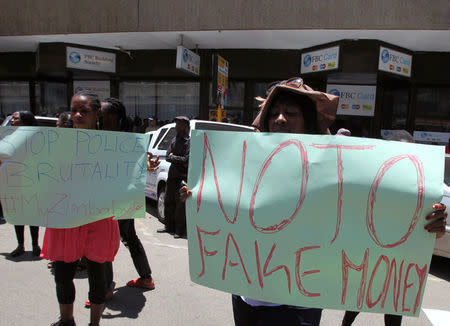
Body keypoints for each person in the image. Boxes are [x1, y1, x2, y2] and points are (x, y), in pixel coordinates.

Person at [181, 77, 448, 326]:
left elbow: (378, 217)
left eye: (291, 113)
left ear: (308, 123)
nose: (280, 119)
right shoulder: (244, 163)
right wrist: (197, 199)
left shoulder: (336, 171)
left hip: (296, 307)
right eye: (274, 113)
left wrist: (425, 224)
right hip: (246, 298)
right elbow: (225, 210)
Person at [41, 92, 121, 326]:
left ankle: (94, 323)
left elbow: (122, 180)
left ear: (97, 114)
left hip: (99, 218)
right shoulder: (55, 144)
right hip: (66, 218)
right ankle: (67, 320)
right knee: (63, 276)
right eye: (74, 109)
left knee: (98, 278)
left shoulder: (113, 146)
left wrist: (142, 167)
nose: (77, 115)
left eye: (84, 110)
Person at [99, 98, 156, 292]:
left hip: (123, 197)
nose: (98, 115)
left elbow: (139, 168)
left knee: (110, 238)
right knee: (121, 237)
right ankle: (145, 277)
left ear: (114, 116)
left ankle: (105, 288)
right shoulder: (96, 138)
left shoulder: (127, 141)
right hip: (108, 197)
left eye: (102, 112)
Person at [8, 111, 41, 257]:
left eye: (15, 118)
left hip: (31, 182)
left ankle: (35, 245)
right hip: (14, 182)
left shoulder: (35, 138)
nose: (12, 121)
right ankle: (20, 245)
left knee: (32, 215)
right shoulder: (9, 137)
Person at [157, 116, 190, 238]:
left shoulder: (189, 141)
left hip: (181, 177)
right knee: (168, 202)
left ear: (185, 126)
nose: (176, 127)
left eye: (179, 124)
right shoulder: (174, 139)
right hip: (171, 176)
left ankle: (179, 230)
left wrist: (173, 157)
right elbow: (167, 156)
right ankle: (168, 226)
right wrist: (176, 158)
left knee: (180, 206)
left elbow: (186, 160)